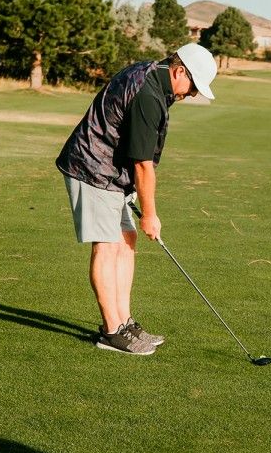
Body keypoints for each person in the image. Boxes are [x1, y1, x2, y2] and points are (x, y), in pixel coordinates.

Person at [56, 43, 217, 355]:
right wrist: (150, 214)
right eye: (193, 86)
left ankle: (125, 321)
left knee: (126, 239)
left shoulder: (153, 78)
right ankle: (111, 330)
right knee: (107, 244)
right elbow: (143, 164)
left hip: (111, 172)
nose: (193, 94)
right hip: (91, 168)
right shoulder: (148, 94)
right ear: (179, 70)